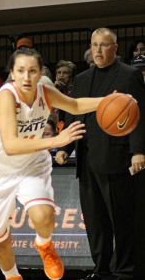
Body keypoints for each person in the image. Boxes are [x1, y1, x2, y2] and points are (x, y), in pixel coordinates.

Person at [0, 47, 104, 280]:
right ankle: (12, 276)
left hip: (31, 164)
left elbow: (74, 106)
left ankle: (44, 246)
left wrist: (108, 101)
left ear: (40, 72)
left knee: (44, 217)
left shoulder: (45, 92)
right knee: (0, 240)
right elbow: (10, 146)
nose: (27, 77)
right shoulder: (6, 97)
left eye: (32, 71)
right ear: (12, 73)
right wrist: (57, 140)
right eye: (21, 71)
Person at [55, 28, 145, 280]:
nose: (98, 50)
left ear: (115, 49)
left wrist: (138, 150)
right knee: (95, 223)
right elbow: (73, 114)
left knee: (122, 220)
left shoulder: (129, 75)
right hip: (87, 160)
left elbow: (141, 115)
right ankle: (101, 270)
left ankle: (127, 271)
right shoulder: (82, 79)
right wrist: (64, 147)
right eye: (94, 45)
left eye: (104, 45)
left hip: (117, 159)